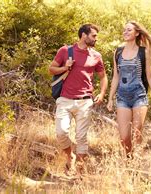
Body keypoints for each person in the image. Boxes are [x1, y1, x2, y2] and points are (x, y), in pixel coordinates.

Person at [49, 24, 108, 174]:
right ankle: (70, 157)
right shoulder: (65, 51)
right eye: (93, 36)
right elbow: (51, 69)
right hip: (65, 100)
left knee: (81, 137)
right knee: (61, 132)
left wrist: (101, 94)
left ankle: (80, 172)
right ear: (83, 35)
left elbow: (103, 77)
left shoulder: (96, 56)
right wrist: (65, 68)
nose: (96, 39)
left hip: (85, 101)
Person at [107, 21, 151, 157]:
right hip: (122, 97)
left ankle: (136, 159)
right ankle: (129, 157)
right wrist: (110, 98)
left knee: (136, 132)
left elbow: (149, 76)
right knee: (124, 136)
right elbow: (116, 77)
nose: (125, 32)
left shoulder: (144, 51)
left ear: (137, 33)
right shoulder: (118, 51)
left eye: (129, 30)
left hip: (139, 96)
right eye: (124, 30)